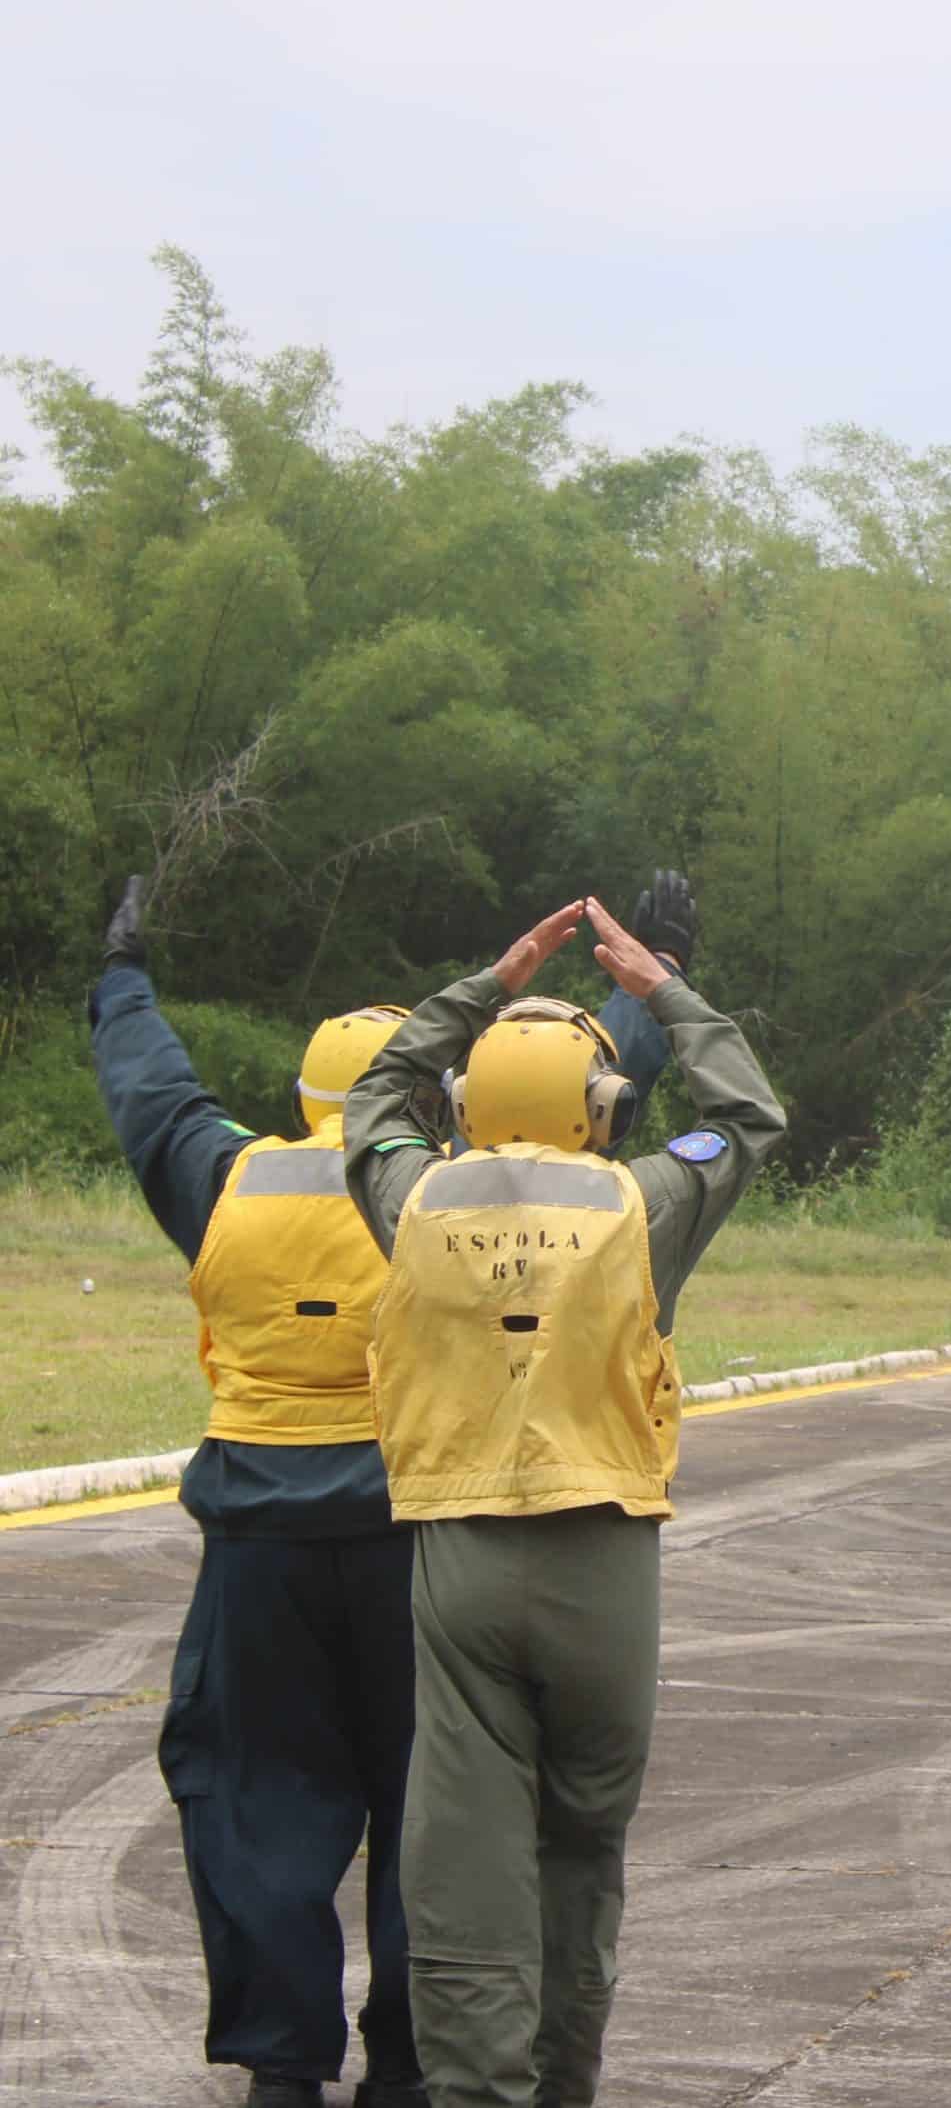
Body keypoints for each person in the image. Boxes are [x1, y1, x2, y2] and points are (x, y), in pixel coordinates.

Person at [88, 872, 693, 2108]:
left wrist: (120, 981)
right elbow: (566, 1107)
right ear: (440, 1098)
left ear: (313, 1098)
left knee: (252, 1797)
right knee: (445, 1822)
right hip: (415, 1531)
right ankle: (414, 2061)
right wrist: (660, 975)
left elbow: (152, 1093)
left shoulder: (231, 1180)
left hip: (258, 1547)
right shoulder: (441, 1194)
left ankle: (282, 2060)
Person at [342, 897, 783, 2108]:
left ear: (471, 1105)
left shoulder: (413, 1200)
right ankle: (564, 2083)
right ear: (601, 1105)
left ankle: (477, 2092)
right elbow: (750, 1112)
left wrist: (478, 990)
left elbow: (373, 1101)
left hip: (463, 1556)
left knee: (465, 1861)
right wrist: (661, 991)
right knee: (581, 1850)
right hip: (605, 1559)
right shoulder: (642, 1203)